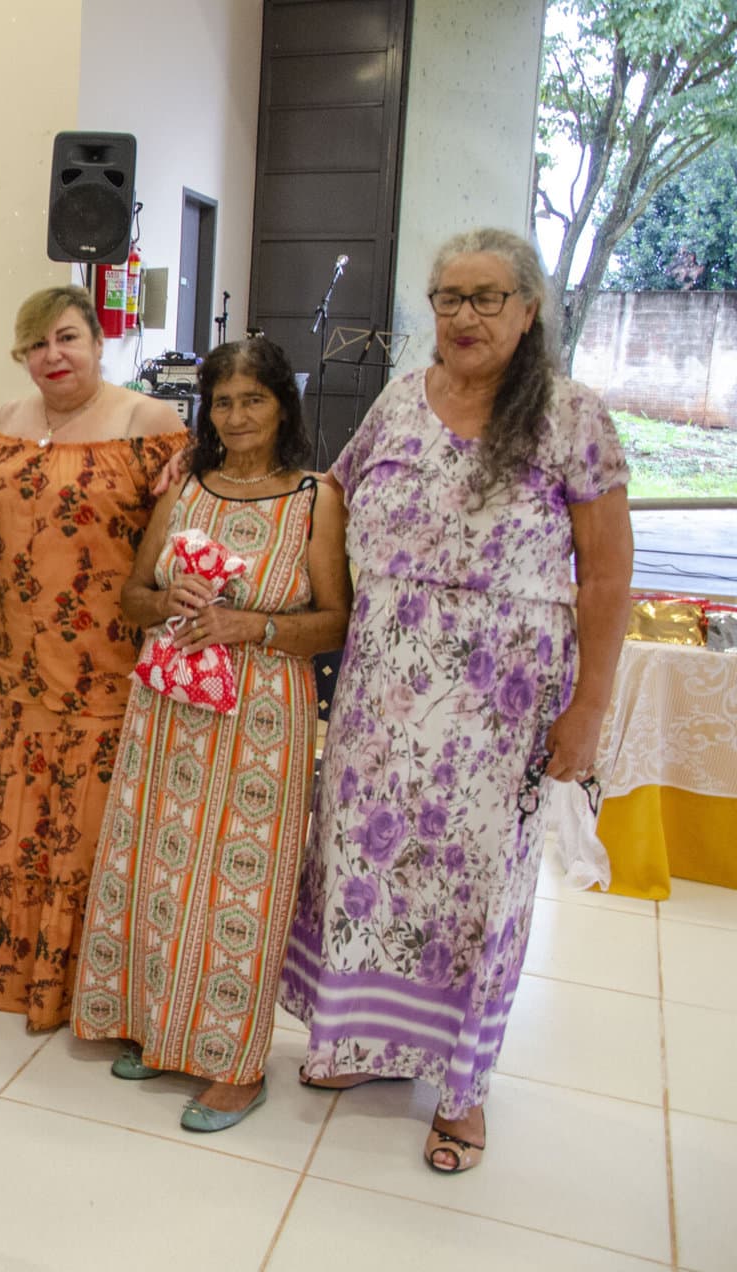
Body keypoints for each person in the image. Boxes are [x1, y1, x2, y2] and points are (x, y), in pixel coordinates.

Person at [281, 228, 633, 1173]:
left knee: (479, 888)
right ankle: (366, 1040)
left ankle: (464, 1088)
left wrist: (588, 711)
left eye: (486, 298)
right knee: (368, 863)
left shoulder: (571, 416)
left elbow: (603, 579)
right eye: (448, 298)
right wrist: (326, 612)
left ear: (528, 311)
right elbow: (333, 496)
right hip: (382, 693)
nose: (465, 317)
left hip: (498, 708)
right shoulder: (401, 401)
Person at [70, 337, 351, 1131]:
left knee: (242, 885)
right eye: (223, 402)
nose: (236, 416)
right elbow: (131, 594)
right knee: (161, 868)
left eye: (253, 400)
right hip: (172, 709)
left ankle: (236, 1065)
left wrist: (250, 625)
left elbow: (335, 621)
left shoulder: (314, 497)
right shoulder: (188, 488)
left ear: (282, 407)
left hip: (264, 716)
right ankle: (165, 1032)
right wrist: (170, 604)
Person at [0, 285, 189, 1032]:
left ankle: (86, 987)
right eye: (36, 344)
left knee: (88, 822)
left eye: (67, 338)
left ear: (98, 342)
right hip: (23, 656)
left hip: (108, 659)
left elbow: (179, 531)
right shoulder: (0, 425)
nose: (52, 356)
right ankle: (13, 970)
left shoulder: (149, 423)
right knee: (22, 813)